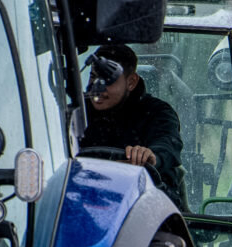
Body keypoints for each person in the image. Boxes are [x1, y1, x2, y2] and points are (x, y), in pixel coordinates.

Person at [80, 42, 187, 204]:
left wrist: (151, 156)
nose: (97, 87)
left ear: (131, 82)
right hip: (84, 196)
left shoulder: (158, 113)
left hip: (144, 202)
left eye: (108, 79)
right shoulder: (76, 112)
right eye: (93, 76)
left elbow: (167, 144)